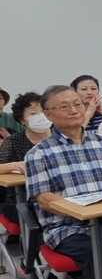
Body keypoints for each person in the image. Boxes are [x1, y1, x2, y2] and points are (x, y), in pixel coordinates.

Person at [25, 85, 102, 276]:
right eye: (64, 107)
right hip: (69, 228)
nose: (74, 110)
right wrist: (84, 209)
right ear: (48, 115)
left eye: (77, 104)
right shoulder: (38, 154)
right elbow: (44, 199)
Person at [0, 92, 48, 235]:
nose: (40, 116)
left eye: (43, 111)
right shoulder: (13, 142)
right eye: (33, 113)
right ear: (22, 120)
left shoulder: (62, 137)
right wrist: (14, 165)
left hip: (61, 196)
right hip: (22, 201)